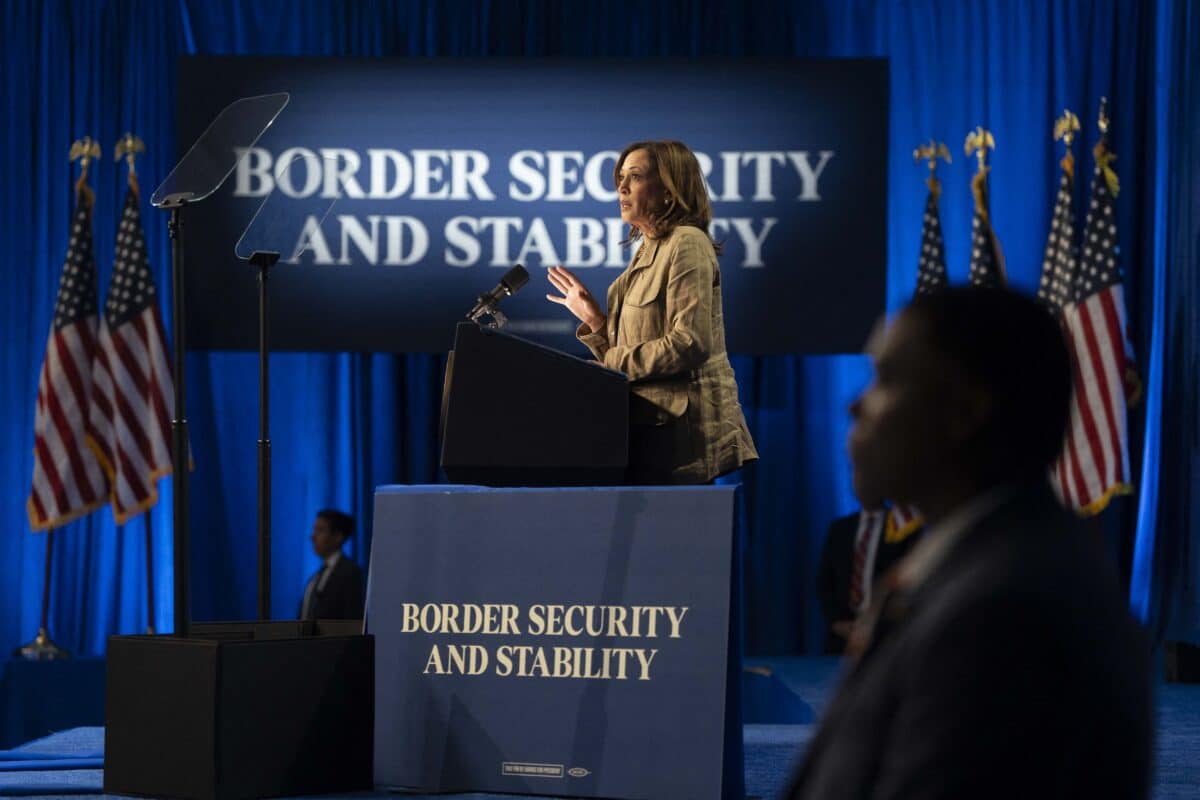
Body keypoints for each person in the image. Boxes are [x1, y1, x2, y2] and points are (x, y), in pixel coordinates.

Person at [785, 287, 1152, 799]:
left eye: (887, 379)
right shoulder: (993, 564)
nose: (855, 404)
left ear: (965, 413)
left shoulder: (1005, 612)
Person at [546, 139, 757, 484]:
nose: (622, 187)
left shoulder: (686, 243)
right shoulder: (648, 250)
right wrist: (597, 322)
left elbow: (690, 343)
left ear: (669, 191)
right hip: (650, 432)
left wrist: (609, 365)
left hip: (685, 441)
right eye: (620, 178)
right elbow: (634, 350)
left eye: (635, 176)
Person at [816, 492, 923, 655]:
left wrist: (877, 624)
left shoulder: (904, 527)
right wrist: (837, 622)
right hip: (841, 639)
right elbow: (825, 581)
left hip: (885, 638)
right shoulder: (840, 528)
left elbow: (909, 582)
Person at [298, 509, 364, 621]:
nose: (313, 537)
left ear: (338, 536)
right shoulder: (315, 578)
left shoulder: (351, 574)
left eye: (320, 530)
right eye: (314, 530)